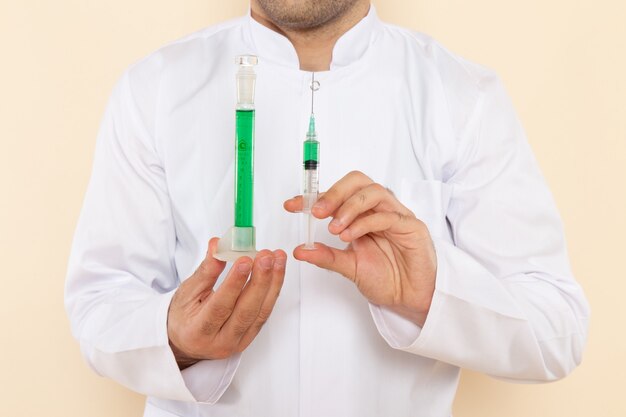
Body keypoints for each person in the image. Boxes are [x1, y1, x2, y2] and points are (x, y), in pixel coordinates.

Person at [65, 0, 590, 416]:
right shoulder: (154, 89)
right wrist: (173, 339)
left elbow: (557, 329)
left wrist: (433, 291)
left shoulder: (463, 96)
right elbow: (99, 304)